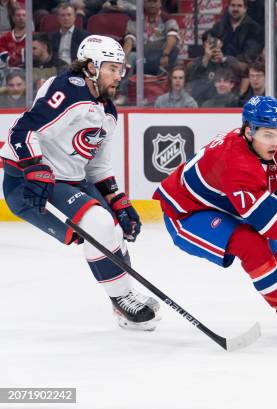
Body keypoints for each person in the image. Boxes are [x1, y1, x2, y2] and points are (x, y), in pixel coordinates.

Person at [153, 96, 277, 341]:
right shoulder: (235, 162)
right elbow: (270, 221)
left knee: (269, 248)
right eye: (268, 135)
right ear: (249, 131)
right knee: (252, 245)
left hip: (220, 203)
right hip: (186, 213)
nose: (275, 142)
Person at [0, 35, 159, 331]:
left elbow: (97, 165)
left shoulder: (108, 111)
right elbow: (21, 133)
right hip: (28, 181)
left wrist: (118, 200)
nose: (119, 75)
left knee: (113, 225)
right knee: (97, 224)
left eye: (121, 69)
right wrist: (35, 167)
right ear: (90, 67)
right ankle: (123, 298)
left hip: (71, 180)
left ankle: (122, 298)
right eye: (112, 68)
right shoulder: (68, 88)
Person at [123, 0, 180, 75]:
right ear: (144, 3)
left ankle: (164, 85)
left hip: (160, 56)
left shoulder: (167, 19)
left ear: (160, 3)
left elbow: (172, 37)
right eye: (149, 1)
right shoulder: (136, 19)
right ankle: (125, 86)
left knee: (177, 59)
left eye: (155, 1)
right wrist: (123, 57)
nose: (152, 4)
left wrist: (165, 54)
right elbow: (129, 39)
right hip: (142, 58)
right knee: (130, 58)